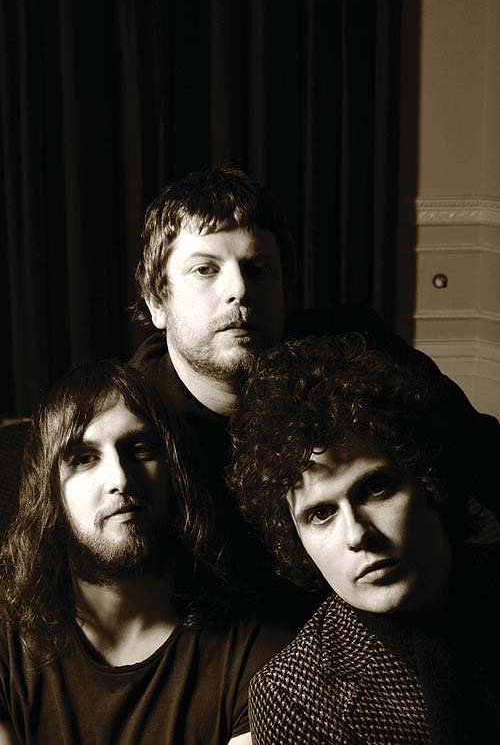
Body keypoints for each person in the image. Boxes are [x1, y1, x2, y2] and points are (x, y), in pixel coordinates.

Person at [130, 165, 500, 598]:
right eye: (205, 270)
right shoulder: (129, 424)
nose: (239, 290)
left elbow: (479, 452)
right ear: (156, 302)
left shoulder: (357, 346)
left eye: (258, 268)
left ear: (285, 291)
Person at [0, 361, 293, 745]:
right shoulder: (6, 643)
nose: (120, 479)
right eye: (85, 458)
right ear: (50, 491)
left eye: (139, 449)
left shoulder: (260, 655)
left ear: (176, 473)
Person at [229, 333, 500, 745]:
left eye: (375, 489)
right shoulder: (293, 698)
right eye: (321, 514)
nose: (357, 535)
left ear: (428, 478)